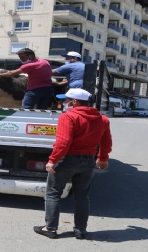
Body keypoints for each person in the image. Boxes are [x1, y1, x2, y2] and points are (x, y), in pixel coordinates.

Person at [33, 88, 112, 239]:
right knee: (82, 196)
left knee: (53, 193)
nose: (63, 103)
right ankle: (80, 230)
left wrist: (52, 160)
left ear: (74, 102)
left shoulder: (68, 117)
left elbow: (64, 142)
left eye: (65, 100)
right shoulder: (103, 119)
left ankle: (50, 228)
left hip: (68, 160)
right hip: (88, 161)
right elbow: (106, 142)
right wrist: (103, 158)